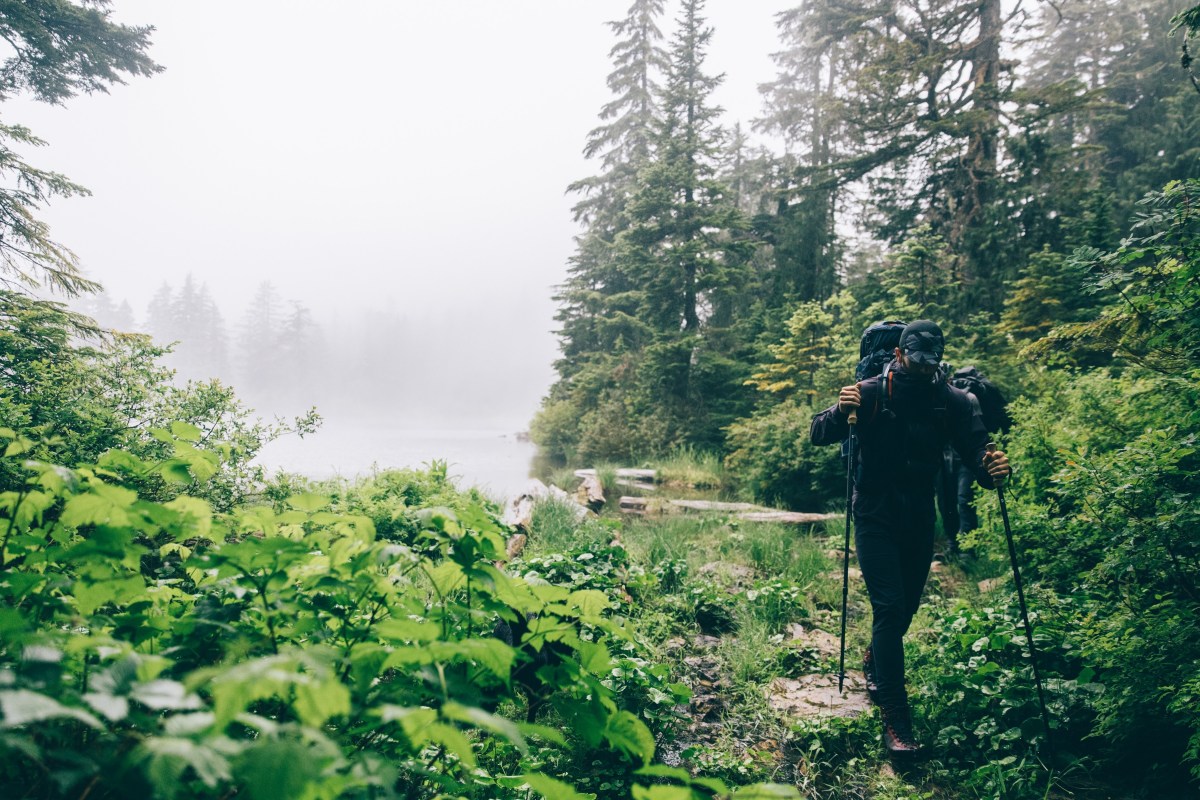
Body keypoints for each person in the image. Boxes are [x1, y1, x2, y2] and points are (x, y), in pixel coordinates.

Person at [810, 320, 1012, 755]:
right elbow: (818, 433)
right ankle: (897, 723)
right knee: (890, 608)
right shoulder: (869, 392)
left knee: (904, 613)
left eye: (930, 364)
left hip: (919, 516)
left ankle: (875, 660)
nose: (923, 370)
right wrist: (836, 408)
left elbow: (976, 453)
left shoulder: (954, 402)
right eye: (916, 362)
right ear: (899, 356)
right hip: (874, 512)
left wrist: (993, 468)